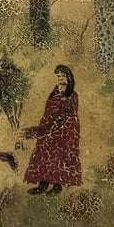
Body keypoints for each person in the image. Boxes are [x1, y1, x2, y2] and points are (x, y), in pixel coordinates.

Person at [22, 65, 83, 194]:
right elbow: (48, 112)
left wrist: (42, 130)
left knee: (60, 156)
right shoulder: (54, 93)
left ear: (69, 77)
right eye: (58, 76)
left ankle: (57, 186)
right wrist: (43, 128)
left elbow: (65, 116)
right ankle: (43, 184)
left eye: (63, 76)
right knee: (44, 154)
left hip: (65, 132)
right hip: (49, 130)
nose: (60, 78)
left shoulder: (72, 95)